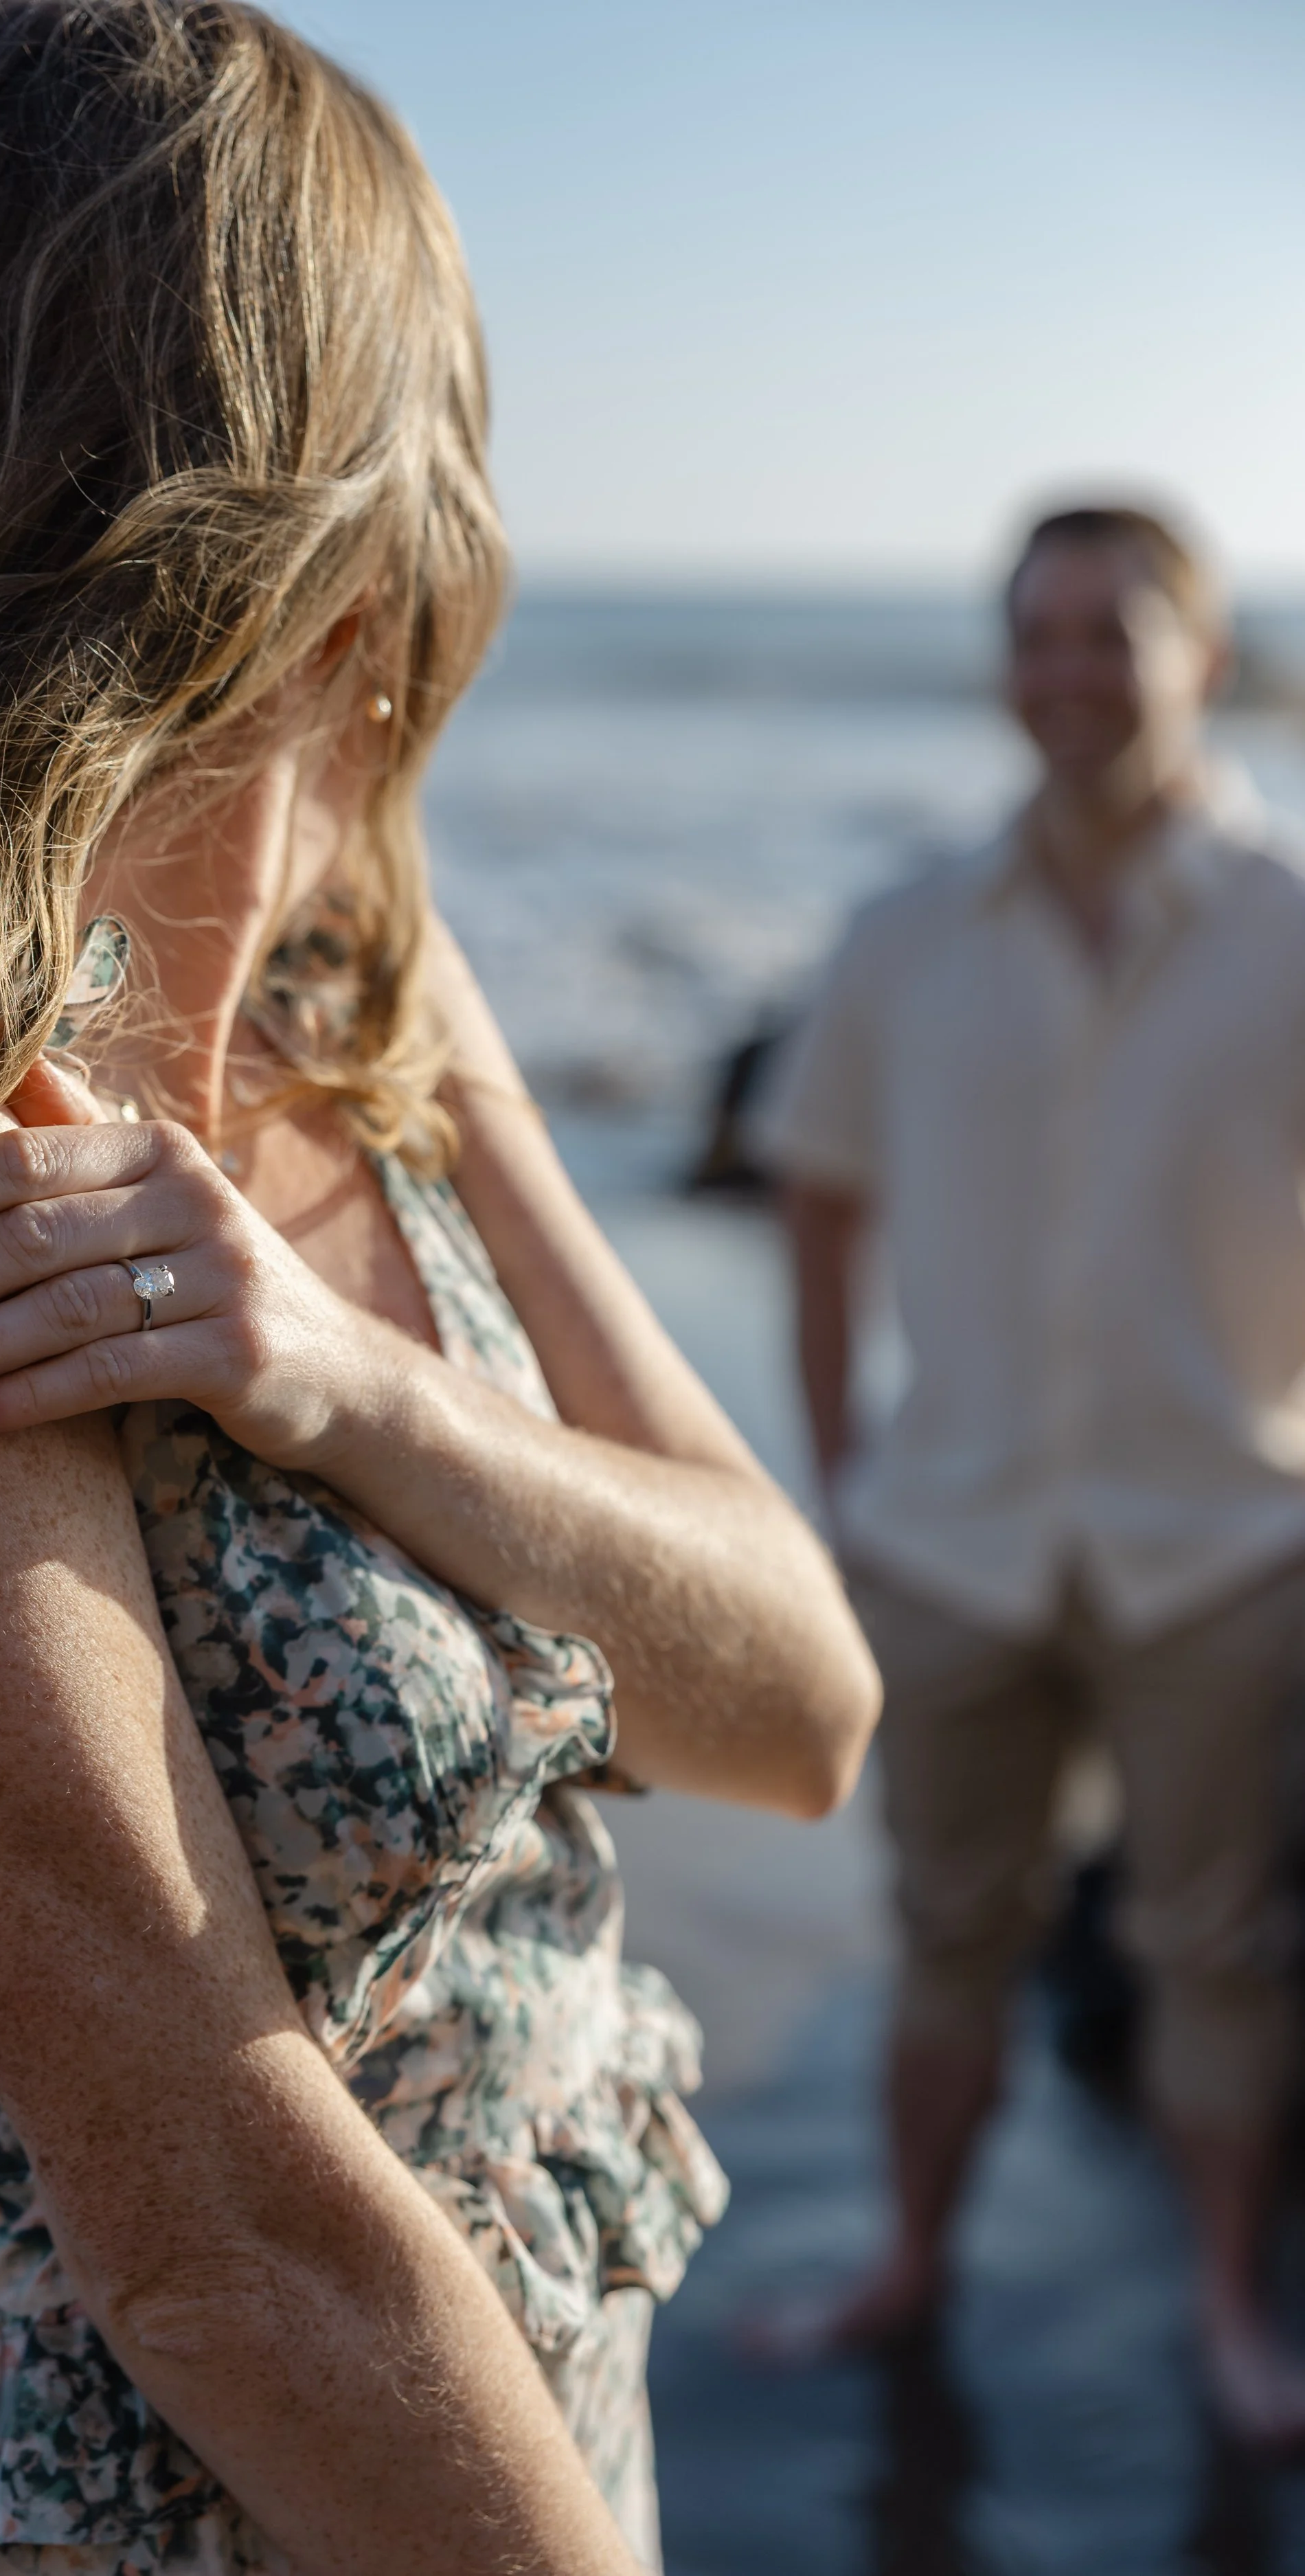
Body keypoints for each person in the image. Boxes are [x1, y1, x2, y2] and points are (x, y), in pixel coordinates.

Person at [0, 8, 880, 2572]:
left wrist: (341, 1378)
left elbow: (797, 1703)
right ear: (350, 547)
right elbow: (220, 2240)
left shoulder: (366, 1012)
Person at [756, 499, 1305, 2442]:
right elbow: (815, 1206)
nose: (1066, 670)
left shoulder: (1288, 930)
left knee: (1212, 1953)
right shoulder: (900, 934)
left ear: (1201, 659)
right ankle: (907, 2262)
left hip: (1225, 1543)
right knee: (940, 1941)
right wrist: (838, 1473)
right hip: (953, 1536)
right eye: (1034, 633)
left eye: (1108, 633)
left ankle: (1232, 2311)